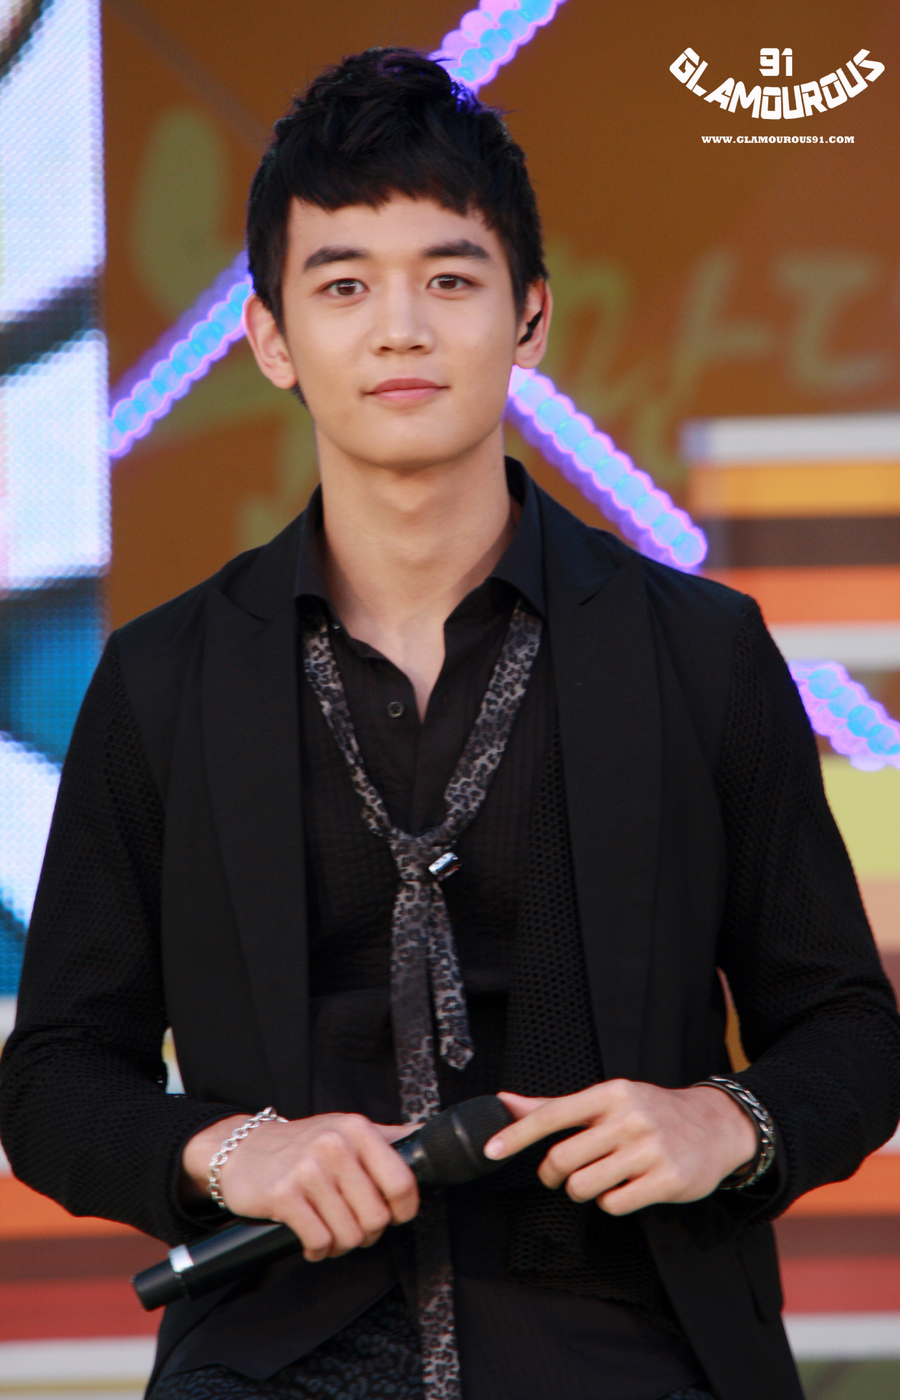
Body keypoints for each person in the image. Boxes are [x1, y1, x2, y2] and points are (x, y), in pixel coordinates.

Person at [2, 47, 899, 1400]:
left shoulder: (699, 651)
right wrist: (236, 1152)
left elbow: (847, 1030)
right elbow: (57, 1078)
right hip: (273, 1361)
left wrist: (727, 1120)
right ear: (269, 339)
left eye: (451, 278)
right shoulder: (163, 678)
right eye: (343, 285)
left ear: (529, 317)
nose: (400, 329)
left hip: (632, 1352)